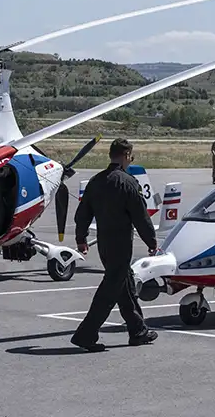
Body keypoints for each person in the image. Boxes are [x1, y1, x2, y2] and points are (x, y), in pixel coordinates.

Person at [69, 138, 159, 352]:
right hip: (120, 243)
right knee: (110, 290)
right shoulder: (127, 183)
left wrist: (81, 238)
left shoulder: (96, 181)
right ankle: (86, 334)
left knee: (124, 285)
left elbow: (82, 214)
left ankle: (138, 330)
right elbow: (140, 216)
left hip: (104, 244)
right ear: (127, 155)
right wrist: (151, 241)